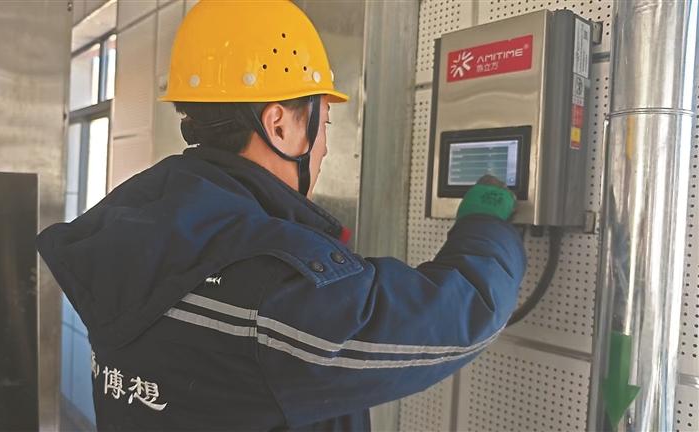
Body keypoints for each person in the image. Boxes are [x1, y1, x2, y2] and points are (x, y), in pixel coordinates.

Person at [37, 1, 526, 430]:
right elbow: (457, 318)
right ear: (278, 125)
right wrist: (484, 228)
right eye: (324, 122)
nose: (325, 146)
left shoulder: (135, 222)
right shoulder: (273, 287)